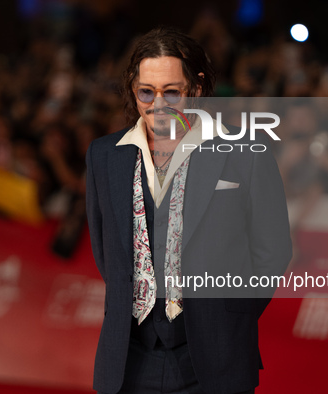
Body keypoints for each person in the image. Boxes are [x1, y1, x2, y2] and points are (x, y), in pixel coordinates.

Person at [86, 26, 292, 394]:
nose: (157, 104)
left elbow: (272, 252)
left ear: (196, 89)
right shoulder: (104, 155)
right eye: (146, 91)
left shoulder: (245, 151)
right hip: (128, 361)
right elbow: (107, 253)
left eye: (171, 92)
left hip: (217, 361)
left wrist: (228, 316)